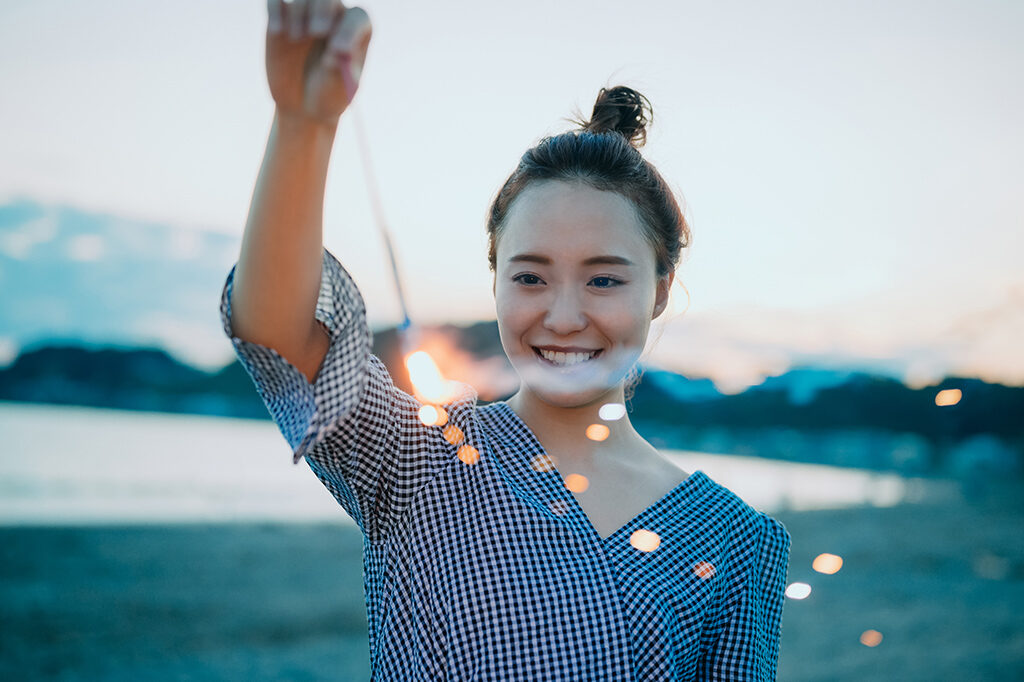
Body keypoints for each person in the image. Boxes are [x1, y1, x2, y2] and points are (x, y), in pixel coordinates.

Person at [221, 1, 792, 679]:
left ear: (661, 288)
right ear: (495, 280)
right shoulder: (419, 459)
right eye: (531, 277)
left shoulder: (738, 541)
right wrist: (303, 128)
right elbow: (277, 335)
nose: (563, 317)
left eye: (604, 281)